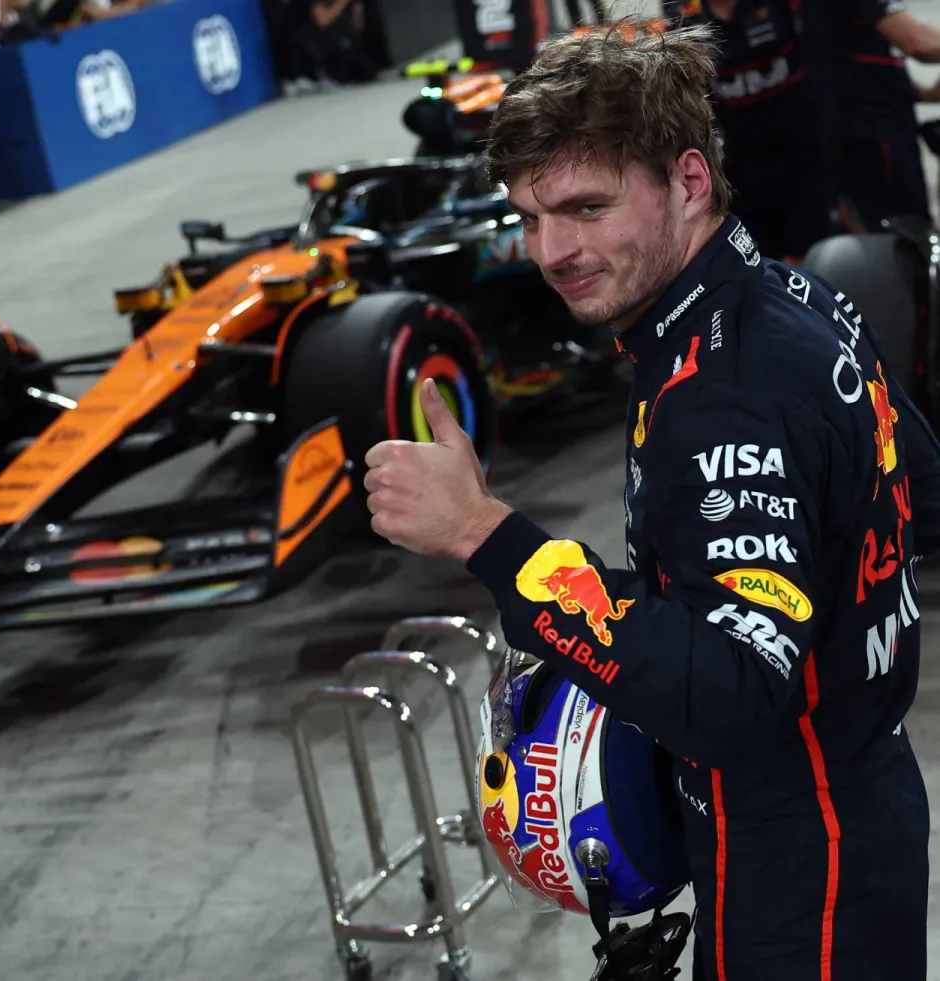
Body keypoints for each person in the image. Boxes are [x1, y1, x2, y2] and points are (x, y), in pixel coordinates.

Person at [363, 22, 938, 980]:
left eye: (587, 208)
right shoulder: (792, 300)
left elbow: (727, 696)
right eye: (530, 218)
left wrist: (486, 534)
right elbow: (910, 485)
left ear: (690, 179)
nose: (553, 250)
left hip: (801, 857)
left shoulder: (724, 393)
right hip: (843, 809)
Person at [667, 0, 837, 262]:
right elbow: (681, 86)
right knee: (756, 260)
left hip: (802, 156)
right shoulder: (681, 10)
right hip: (737, 167)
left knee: (814, 256)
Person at [819, 0, 940, 228]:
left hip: (884, 126)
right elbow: (917, 43)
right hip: (868, 137)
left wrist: (923, 94)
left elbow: (862, 54)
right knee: (902, 235)